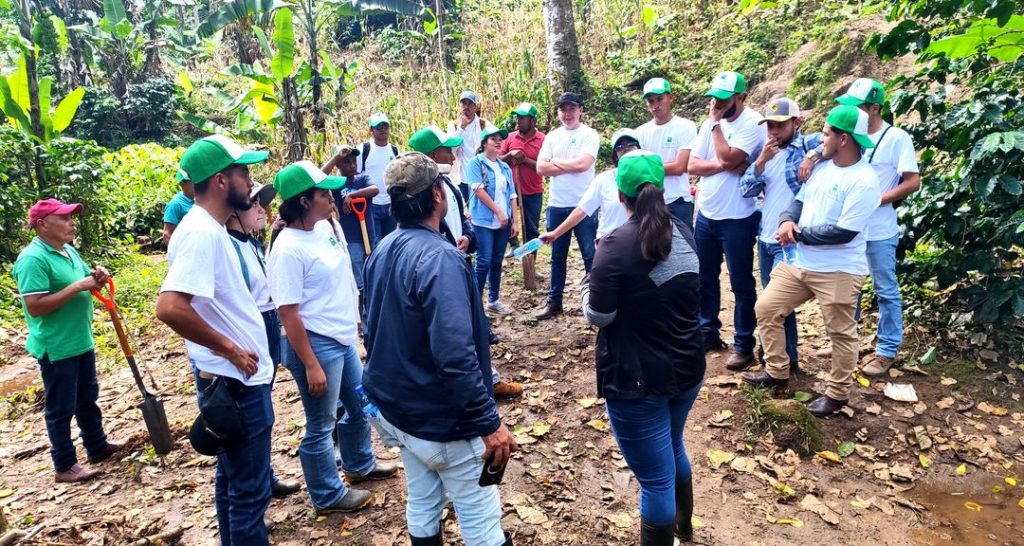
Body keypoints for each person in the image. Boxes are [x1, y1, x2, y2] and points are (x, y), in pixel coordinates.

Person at [363, 152, 517, 546]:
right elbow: (455, 355)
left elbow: (373, 328)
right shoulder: (440, 258)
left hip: (400, 410)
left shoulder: (381, 249)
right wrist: (488, 423)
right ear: (436, 196)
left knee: (423, 497)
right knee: (481, 519)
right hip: (441, 419)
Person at [156, 134, 275, 544]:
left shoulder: (212, 229)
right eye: (243, 172)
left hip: (230, 380)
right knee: (250, 493)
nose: (250, 179)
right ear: (222, 181)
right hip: (235, 382)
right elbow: (170, 307)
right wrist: (229, 348)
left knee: (233, 481)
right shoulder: (201, 233)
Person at [581, 150, 705, 545]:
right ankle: (684, 529)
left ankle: (674, 529)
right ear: (663, 189)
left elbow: (599, 317)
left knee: (655, 479)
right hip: (687, 368)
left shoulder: (614, 247)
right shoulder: (685, 231)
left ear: (620, 195)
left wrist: (586, 289)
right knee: (672, 446)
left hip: (638, 379)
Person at [267, 161, 398, 515]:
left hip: (340, 335)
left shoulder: (325, 226)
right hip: (316, 343)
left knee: (359, 407)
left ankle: (359, 464)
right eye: (324, 193)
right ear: (304, 202)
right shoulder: (288, 248)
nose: (332, 197)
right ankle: (327, 494)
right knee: (321, 424)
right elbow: (288, 312)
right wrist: (310, 363)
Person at [742, 105, 882, 417]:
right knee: (766, 308)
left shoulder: (863, 180)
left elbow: (844, 231)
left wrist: (798, 234)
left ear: (844, 139)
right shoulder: (823, 168)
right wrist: (786, 222)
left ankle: (837, 393)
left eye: (827, 133)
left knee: (841, 332)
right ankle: (776, 371)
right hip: (802, 263)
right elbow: (798, 201)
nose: (821, 139)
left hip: (839, 269)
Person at [802, 78, 921, 376]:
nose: (852, 111)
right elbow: (823, 148)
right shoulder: (844, 133)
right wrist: (814, 153)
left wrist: (875, 199)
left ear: (875, 108)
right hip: (845, 227)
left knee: (885, 289)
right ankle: (846, 341)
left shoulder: (895, 138)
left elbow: (912, 181)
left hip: (878, 228)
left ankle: (886, 349)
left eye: (858, 107)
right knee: (845, 286)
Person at [13, 199, 126, 483]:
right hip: (57, 345)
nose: (71, 222)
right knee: (61, 408)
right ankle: (64, 465)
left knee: (87, 398)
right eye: (63, 218)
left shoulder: (68, 251)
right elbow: (36, 305)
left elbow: (86, 280)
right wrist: (78, 286)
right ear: (41, 225)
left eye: (71, 217)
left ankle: (97, 445)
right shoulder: (32, 259)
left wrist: (96, 276)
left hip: (80, 339)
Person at [408, 126, 524, 399]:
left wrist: (468, 238)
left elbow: (464, 218)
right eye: (446, 149)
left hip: (458, 262)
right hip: (441, 271)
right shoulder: (420, 194)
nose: (452, 153)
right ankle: (475, 385)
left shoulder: (447, 185)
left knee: (472, 322)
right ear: (432, 154)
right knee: (456, 329)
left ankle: (487, 378)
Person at [224, 182, 303, 500]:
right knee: (252, 412)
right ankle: (252, 489)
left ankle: (263, 475)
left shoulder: (252, 243)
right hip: (250, 327)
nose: (262, 210)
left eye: (263, 204)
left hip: (267, 322)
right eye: (253, 205)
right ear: (233, 212)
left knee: (264, 402)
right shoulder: (226, 245)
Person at [687, 71, 766, 370]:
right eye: (714, 97)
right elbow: (693, 165)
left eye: (723, 98)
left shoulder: (753, 123)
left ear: (741, 97)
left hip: (739, 216)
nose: (716, 103)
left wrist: (717, 128)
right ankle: (708, 332)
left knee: (741, 282)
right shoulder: (708, 124)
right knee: (704, 277)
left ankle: (744, 343)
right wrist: (724, 163)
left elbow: (731, 157)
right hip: (707, 213)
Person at [739, 97, 822, 374]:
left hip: (789, 239)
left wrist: (812, 158)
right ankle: (786, 357)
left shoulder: (806, 145)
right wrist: (761, 161)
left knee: (775, 302)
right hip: (766, 236)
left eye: (780, 126)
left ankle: (781, 363)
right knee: (775, 302)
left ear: (796, 123)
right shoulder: (766, 153)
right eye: (770, 126)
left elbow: (830, 144)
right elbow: (746, 189)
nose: (774, 132)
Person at [535, 92, 601, 320]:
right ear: (558, 112)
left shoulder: (589, 134)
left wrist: (556, 163)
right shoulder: (552, 137)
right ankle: (554, 303)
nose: (567, 113)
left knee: (590, 255)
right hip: (557, 204)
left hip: (585, 205)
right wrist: (568, 165)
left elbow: (584, 164)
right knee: (557, 257)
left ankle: (597, 300)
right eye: (563, 109)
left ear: (580, 110)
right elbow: (541, 169)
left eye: (572, 108)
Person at [541, 128, 639, 245]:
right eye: (619, 147)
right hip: (610, 243)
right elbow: (582, 210)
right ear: (615, 155)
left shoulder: (651, 178)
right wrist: (555, 233)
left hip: (641, 243)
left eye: (631, 144)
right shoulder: (604, 179)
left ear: (639, 147)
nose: (626, 149)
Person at [466, 125, 519, 315]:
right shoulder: (476, 163)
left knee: (497, 261)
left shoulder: (504, 166)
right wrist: (498, 211)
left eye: (500, 139)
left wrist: (514, 220)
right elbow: (477, 190)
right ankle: (475, 303)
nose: (498, 142)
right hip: (483, 221)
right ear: (484, 142)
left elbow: (512, 194)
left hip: (503, 222)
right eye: (493, 138)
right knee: (484, 261)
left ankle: (493, 300)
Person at [636, 78, 699, 225]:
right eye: (651, 101)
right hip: (649, 202)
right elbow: (636, 168)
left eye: (659, 99)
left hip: (678, 200)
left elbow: (680, 167)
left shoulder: (685, 127)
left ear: (671, 98)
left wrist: (646, 167)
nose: (655, 105)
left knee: (683, 247)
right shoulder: (640, 132)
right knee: (651, 248)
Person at [322, 145, 379, 295]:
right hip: (351, 237)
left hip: (370, 235)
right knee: (357, 272)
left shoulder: (362, 179)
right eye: (347, 162)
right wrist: (335, 158)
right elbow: (318, 177)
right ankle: (361, 302)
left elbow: (375, 190)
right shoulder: (336, 183)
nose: (352, 165)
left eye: (354, 161)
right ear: (338, 165)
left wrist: (352, 196)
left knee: (374, 269)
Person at [499, 102, 546, 244]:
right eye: (518, 118)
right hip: (510, 190)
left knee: (531, 229)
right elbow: (497, 160)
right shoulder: (510, 138)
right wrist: (509, 155)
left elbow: (545, 167)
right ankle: (514, 245)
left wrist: (525, 160)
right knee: (506, 223)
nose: (518, 121)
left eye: (522, 118)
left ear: (533, 121)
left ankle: (530, 259)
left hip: (533, 191)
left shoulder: (543, 140)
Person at [360, 112, 400, 246]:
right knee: (374, 244)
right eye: (378, 127)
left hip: (390, 204)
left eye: (385, 126)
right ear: (371, 130)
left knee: (391, 243)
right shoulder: (364, 149)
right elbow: (355, 174)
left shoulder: (394, 150)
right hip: (371, 205)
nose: (383, 130)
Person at [448, 90, 489, 202]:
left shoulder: (484, 124)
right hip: (461, 179)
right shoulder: (454, 126)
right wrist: (461, 128)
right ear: (459, 106)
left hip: (480, 177)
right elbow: (450, 152)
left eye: (469, 103)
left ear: (475, 107)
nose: (466, 106)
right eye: (463, 103)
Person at [162, 170, 195, 246]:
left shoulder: (199, 200)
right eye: (192, 181)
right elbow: (167, 234)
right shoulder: (175, 204)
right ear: (182, 184)